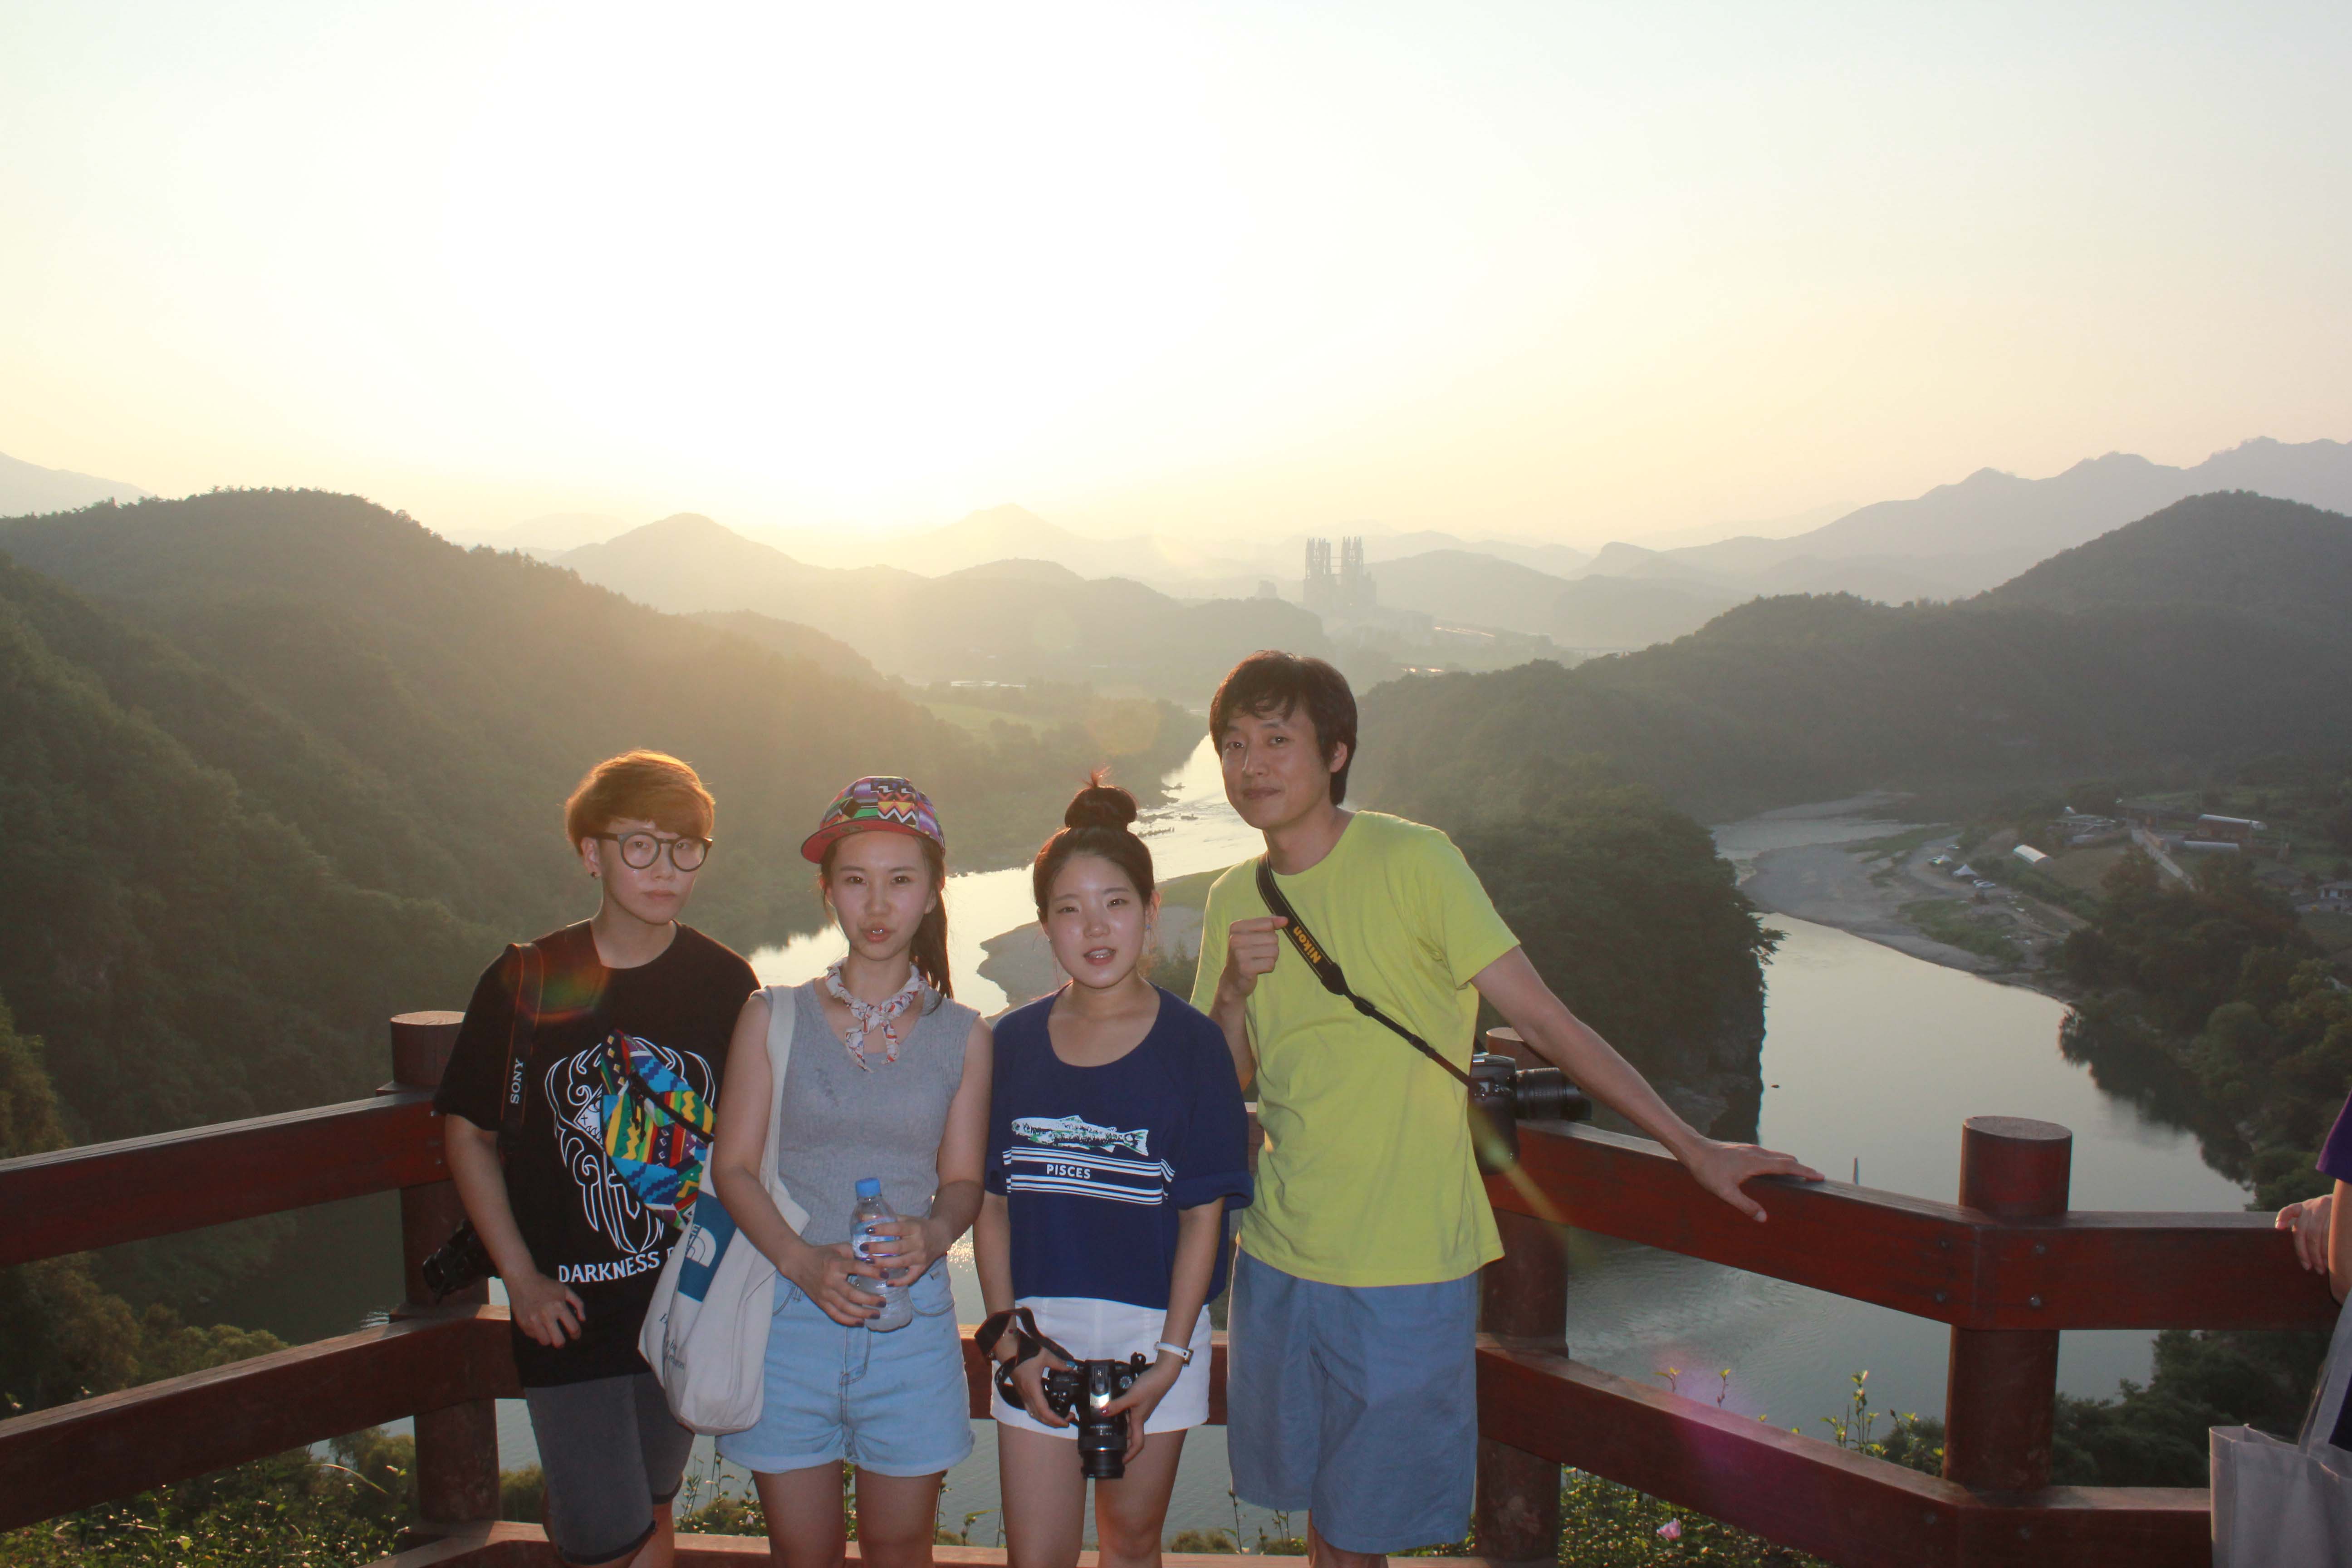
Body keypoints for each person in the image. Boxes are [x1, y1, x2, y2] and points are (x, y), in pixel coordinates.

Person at [1189, 651, 1823, 1567]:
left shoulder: (1416, 860)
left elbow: (1547, 1020)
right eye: (1234, 744)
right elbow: (1220, 1082)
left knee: (1367, 1524)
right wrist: (1231, 996)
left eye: (1277, 739)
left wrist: (1693, 1146)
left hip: (1408, 1261)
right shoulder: (1231, 900)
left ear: (1336, 752)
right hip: (1281, 1253)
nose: (1252, 764)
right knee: (1324, 1513)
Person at [437, 750, 757, 1568]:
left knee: (649, 1504)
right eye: (639, 845)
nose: (665, 868)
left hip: (681, 1308)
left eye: (685, 847)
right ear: (592, 853)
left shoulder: (726, 983)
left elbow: (749, 1142)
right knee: (607, 1535)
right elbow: (468, 1133)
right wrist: (521, 1279)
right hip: (568, 1317)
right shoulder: (528, 980)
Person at [706, 776, 993, 1568]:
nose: (877, 904)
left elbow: (963, 1182)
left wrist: (935, 1232)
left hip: (913, 1323)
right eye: (856, 880)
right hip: (785, 1320)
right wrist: (801, 1262)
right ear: (828, 891)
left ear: (932, 893)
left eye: (900, 881)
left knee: (900, 1548)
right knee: (803, 1552)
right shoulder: (772, 1016)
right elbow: (734, 1168)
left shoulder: (964, 1035)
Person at [975, 779, 1252, 1568]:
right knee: (1038, 1555)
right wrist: (1010, 1340)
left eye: (1116, 903)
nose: (1095, 928)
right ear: (1044, 925)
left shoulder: (1193, 1046)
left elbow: (1204, 1216)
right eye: (1070, 909)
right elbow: (990, 1206)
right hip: (1035, 1338)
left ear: (1151, 910)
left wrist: (1170, 1360)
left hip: (1155, 1336)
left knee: (1131, 1546)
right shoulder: (1008, 1044)